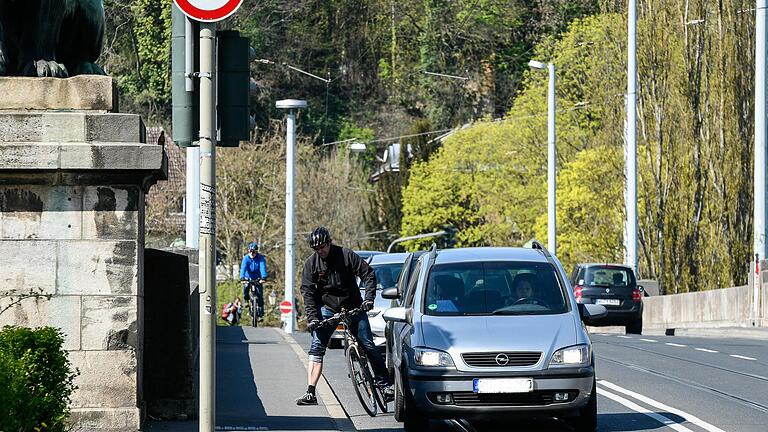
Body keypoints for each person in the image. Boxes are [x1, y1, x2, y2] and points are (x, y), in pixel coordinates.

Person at [295, 226, 393, 406]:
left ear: (329, 243)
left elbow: (368, 274)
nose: (320, 251)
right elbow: (307, 292)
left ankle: (385, 385)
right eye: (316, 249)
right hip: (328, 308)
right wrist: (313, 318)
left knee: (368, 344)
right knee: (317, 346)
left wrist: (369, 299)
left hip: (353, 305)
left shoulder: (346, 255)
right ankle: (310, 392)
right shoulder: (311, 264)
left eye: (323, 247)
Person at [240, 242, 268, 319]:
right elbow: (243, 268)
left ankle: (261, 311)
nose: (252, 253)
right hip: (248, 277)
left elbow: (262, 267)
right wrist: (242, 277)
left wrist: (264, 277)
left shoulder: (260, 258)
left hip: (258, 278)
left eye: (254, 252)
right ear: (248, 251)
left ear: (256, 252)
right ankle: (246, 300)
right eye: (250, 251)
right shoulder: (246, 258)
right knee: (246, 287)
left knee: (260, 293)